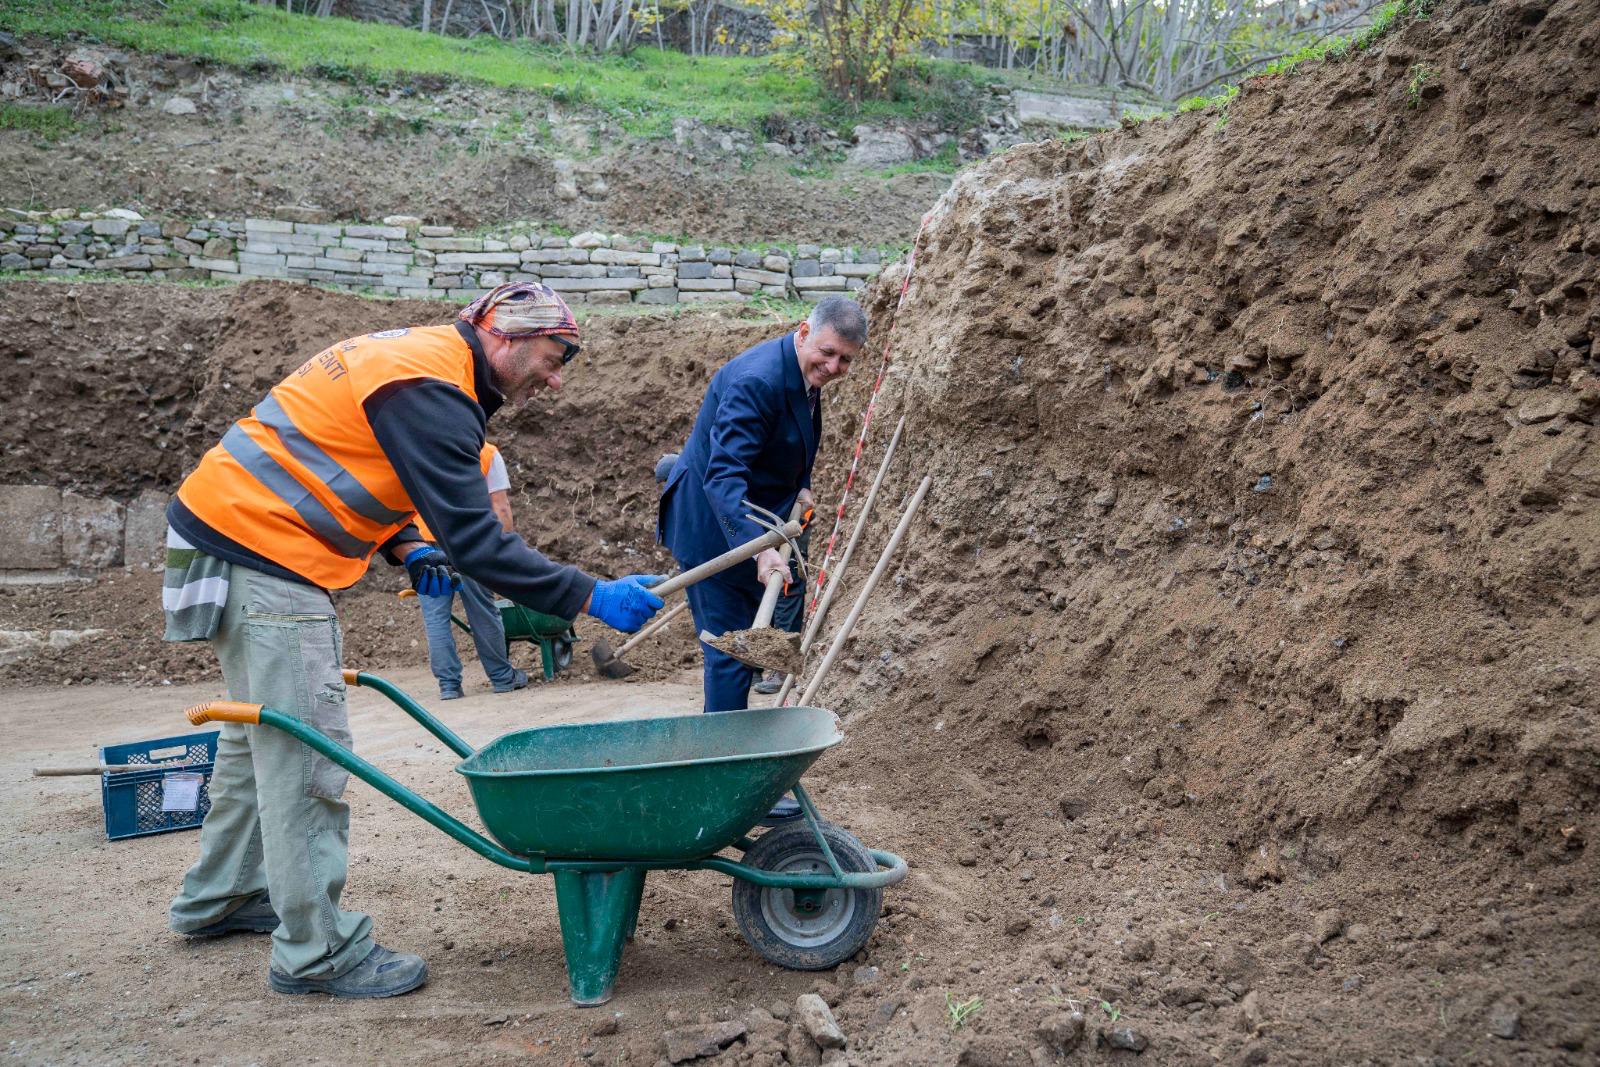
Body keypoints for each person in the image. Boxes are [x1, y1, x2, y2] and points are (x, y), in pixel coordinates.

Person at [160, 282, 664, 1000]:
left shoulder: (421, 365)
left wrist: (405, 543)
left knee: (256, 741)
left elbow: (346, 451)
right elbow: (482, 545)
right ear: (507, 336)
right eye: (553, 359)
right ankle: (316, 951)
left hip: (232, 534)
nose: (555, 380)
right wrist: (590, 593)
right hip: (264, 549)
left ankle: (221, 895)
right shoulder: (432, 390)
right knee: (304, 750)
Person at [657, 295, 866, 714]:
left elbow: (790, 440)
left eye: (845, 360)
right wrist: (762, 549)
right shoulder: (758, 381)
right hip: (713, 527)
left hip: (749, 518)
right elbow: (723, 477)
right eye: (827, 353)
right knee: (732, 653)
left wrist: (801, 487)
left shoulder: (802, 371)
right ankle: (725, 759)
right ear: (804, 333)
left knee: (743, 643)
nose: (833, 368)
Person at [415, 442, 528, 700]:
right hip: (472, 539)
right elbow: (500, 506)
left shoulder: (422, 448)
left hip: (426, 541)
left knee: (435, 617)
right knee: (482, 610)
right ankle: (502, 677)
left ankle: (448, 685)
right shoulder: (487, 453)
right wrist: (505, 549)